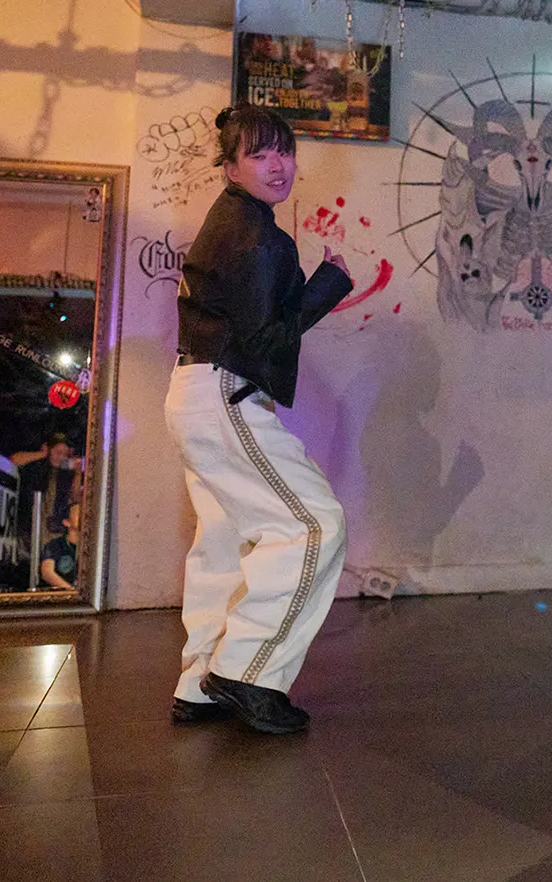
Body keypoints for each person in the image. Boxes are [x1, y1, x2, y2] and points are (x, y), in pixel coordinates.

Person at [164, 105, 354, 735]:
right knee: (314, 526)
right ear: (230, 167)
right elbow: (267, 339)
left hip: (195, 391)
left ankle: (199, 683)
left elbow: (252, 324)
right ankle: (246, 671)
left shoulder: (233, 222)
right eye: (259, 154)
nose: (278, 166)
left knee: (224, 540)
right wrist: (328, 285)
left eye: (285, 151)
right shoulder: (257, 237)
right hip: (225, 393)